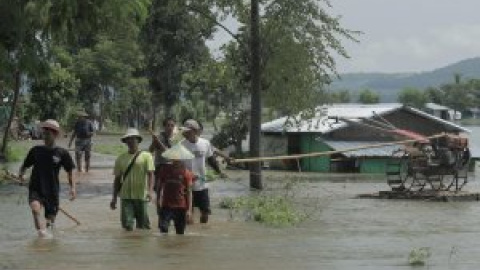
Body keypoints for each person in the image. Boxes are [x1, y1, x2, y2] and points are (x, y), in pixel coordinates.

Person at [18, 119, 76, 238]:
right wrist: (21, 175)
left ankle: (48, 237)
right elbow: (24, 165)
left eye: (47, 134)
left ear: (55, 134)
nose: (44, 136)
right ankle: (42, 236)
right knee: (35, 209)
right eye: (44, 133)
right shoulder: (36, 151)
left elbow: (70, 170)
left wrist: (73, 188)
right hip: (36, 187)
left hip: (52, 191)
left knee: (50, 221)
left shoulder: (62, 153)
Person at [180, 119, 226, 224]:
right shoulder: (181, 145)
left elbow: (211, 159)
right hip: (187, 185)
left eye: (188, 131)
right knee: (188, 214)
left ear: (195, 131)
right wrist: (188, 176)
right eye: (184, 131)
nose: (185, 133)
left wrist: (219, 172)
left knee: (205, 213)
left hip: (202, 185)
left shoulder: (205, 143)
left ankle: (202, 231)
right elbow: (178, 165)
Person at [110, 128, 155, 231]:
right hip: (126, 197)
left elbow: (151, 175)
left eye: (133, 139)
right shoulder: (121, 158)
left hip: (142, 196)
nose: (131, 141)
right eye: (128, 139)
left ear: (138, 140)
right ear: (125, 142)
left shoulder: (146, 156)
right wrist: (114, 199)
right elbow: (117, 179)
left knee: (143, 227)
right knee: (127, 226)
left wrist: (150, 191)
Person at [157, 144, 194, 234]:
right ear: (171, 158)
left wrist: (189, 210)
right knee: (163, 230)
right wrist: (158, 202)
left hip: (181, 207)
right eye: (174, 158)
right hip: (166, 206)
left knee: (180, 233)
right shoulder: (164, 170)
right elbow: (159, 187)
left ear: (182, 159)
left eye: (178, 159)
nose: (176, 161)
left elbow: (189, 192)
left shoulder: (187, 173)